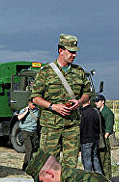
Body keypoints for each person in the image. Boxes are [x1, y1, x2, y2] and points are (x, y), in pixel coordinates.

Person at [30, 33, 91, 169]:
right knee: (48, 162)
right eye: (71, 52)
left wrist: (79, 102)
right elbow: (35, 97)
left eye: (75, 52)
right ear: (61, 50)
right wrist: (53, 106)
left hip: (72, 126)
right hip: (51, 126)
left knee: (70, 164)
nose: (74, 55)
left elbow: (87, 93)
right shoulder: (45, 72)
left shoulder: (79, 72)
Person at [79, 99, 103, 174]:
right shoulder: (96, 111)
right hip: (95, 138)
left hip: (86, 139)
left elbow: (80, 128)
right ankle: (100, 176)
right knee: (95, 158)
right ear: (89, 101)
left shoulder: (82, 113)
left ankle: (88, 177)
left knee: (87, 161)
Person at [94, 94, 114, 178]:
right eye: (95, 101)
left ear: (103, 101)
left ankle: (107, 178)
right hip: (98, 138)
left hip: (103, 138)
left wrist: (104, 138)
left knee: (105, 160)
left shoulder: (107, 112)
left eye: (98, 101)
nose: (96, 103)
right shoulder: (98, 111)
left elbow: (109, 128)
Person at [17, 100, 40, 170]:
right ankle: (30, 167)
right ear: (29, 103)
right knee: (29, 149)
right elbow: (19, 118)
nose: (33, 106)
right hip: (25, 131)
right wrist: (26, 112)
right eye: (32, 104)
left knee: (32, 149)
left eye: (35, 105)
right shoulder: (23, 110)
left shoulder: (37, 111)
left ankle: (24, 165)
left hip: (33, 132)